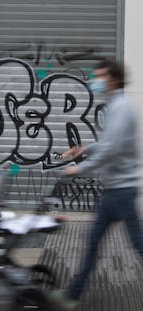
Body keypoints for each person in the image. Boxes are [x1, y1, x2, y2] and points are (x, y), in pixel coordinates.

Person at [50, 59, 142, 310]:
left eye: (100, 76)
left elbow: (112, 149)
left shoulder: (122, 107)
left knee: (138, 244)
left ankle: (71, 295)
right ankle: (72, 295)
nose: (95, 80)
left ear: (113, 79)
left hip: (122, 190)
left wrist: (79, 168)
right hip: (114, 189)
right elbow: (107, 143)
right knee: (93, 241)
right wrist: (81, 150)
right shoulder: (115, 105)